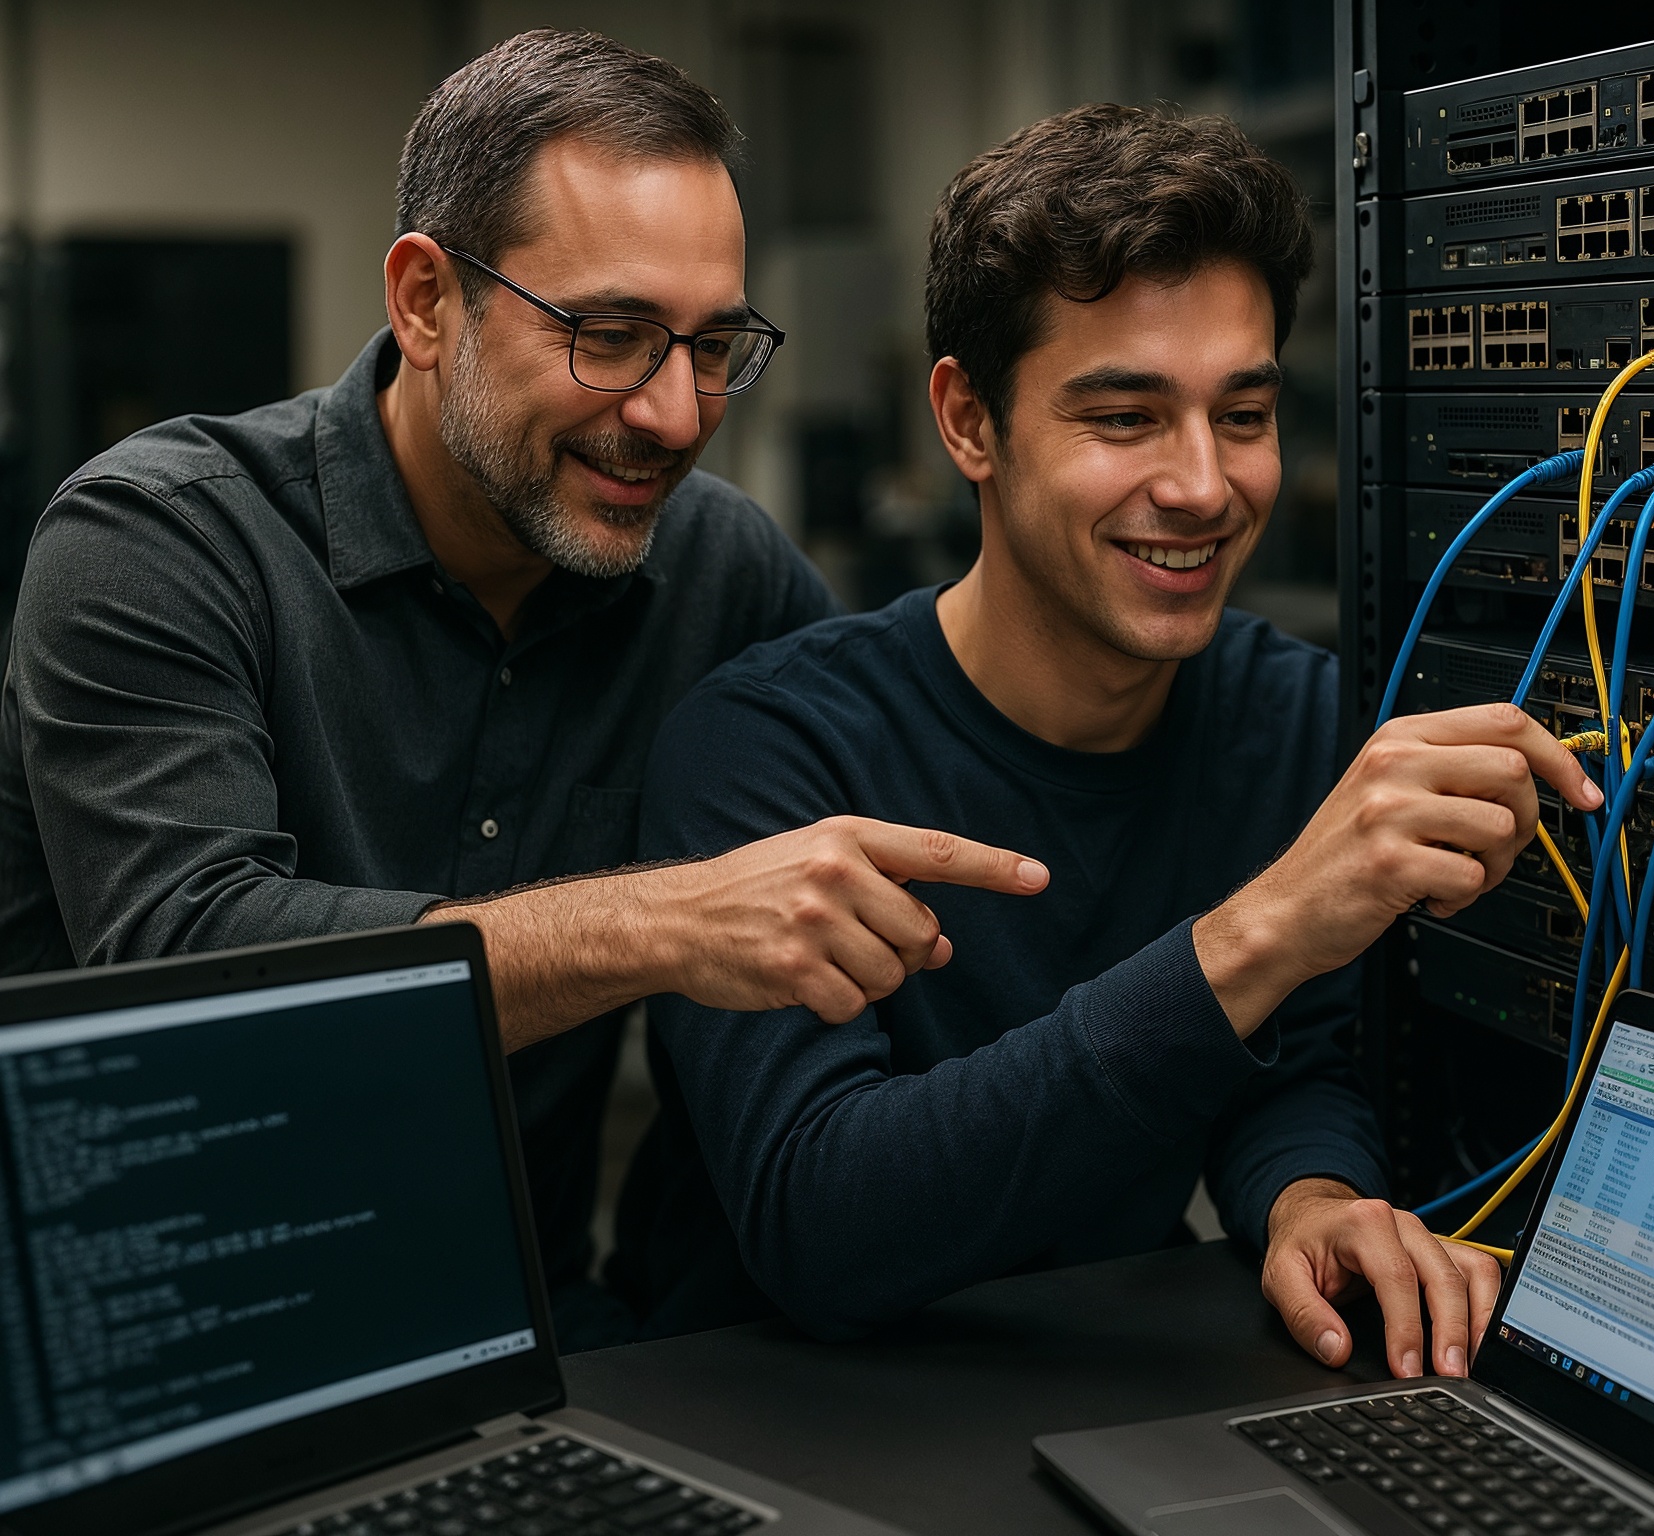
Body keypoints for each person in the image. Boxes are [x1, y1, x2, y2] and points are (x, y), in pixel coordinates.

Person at [0, 30, 1042, 1348]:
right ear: (429, 302)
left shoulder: (724, 573)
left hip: (526, 1338)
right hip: (168, 1352)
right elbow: (190, 964)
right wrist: (663, 924)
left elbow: (915, 917)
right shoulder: (158, 545)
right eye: (610, 335)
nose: (674, 413)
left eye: (714, 346)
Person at [620, 104, 1601, 1379]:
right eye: (1126, 417)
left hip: (1092, 1395)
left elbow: (1278, 1066)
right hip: (764, 1424)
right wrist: (1262, 928)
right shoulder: (765, 749)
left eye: (1242, 414)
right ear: (970, 422)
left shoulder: (1294, 718)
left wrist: (1308, 1198)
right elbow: (824, 1228)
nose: (1204, 484)